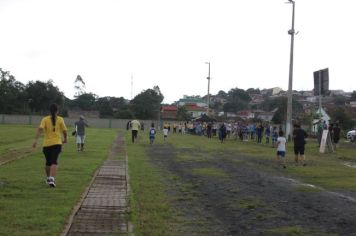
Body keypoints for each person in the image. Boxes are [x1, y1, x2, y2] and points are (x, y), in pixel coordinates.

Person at [32, 103, 67, 187]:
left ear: (49, 110)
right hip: (57, 143)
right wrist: (65, 139)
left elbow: (40, 129)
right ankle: (51, 178)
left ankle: (49, 178)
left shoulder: (45, 119)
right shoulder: (60, 119)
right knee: (54, 161)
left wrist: (35, 140)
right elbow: (64, 131)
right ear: (57, 111)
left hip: (46, 144)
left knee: (48, 162)